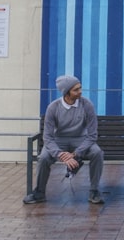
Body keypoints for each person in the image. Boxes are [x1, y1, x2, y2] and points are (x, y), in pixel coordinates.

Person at [23, 75, 105, 205]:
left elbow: (92, 135)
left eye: (80, 88)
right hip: (59, 140)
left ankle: (94, 191)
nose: (80, 91)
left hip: (80, 139)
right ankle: (39, 192)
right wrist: (61, 154)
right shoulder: (53, 107)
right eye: (76, 90)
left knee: (97, 153)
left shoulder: (87, 105)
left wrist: (75, 154)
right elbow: (48, 137)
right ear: (66, 93)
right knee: (44, 158)